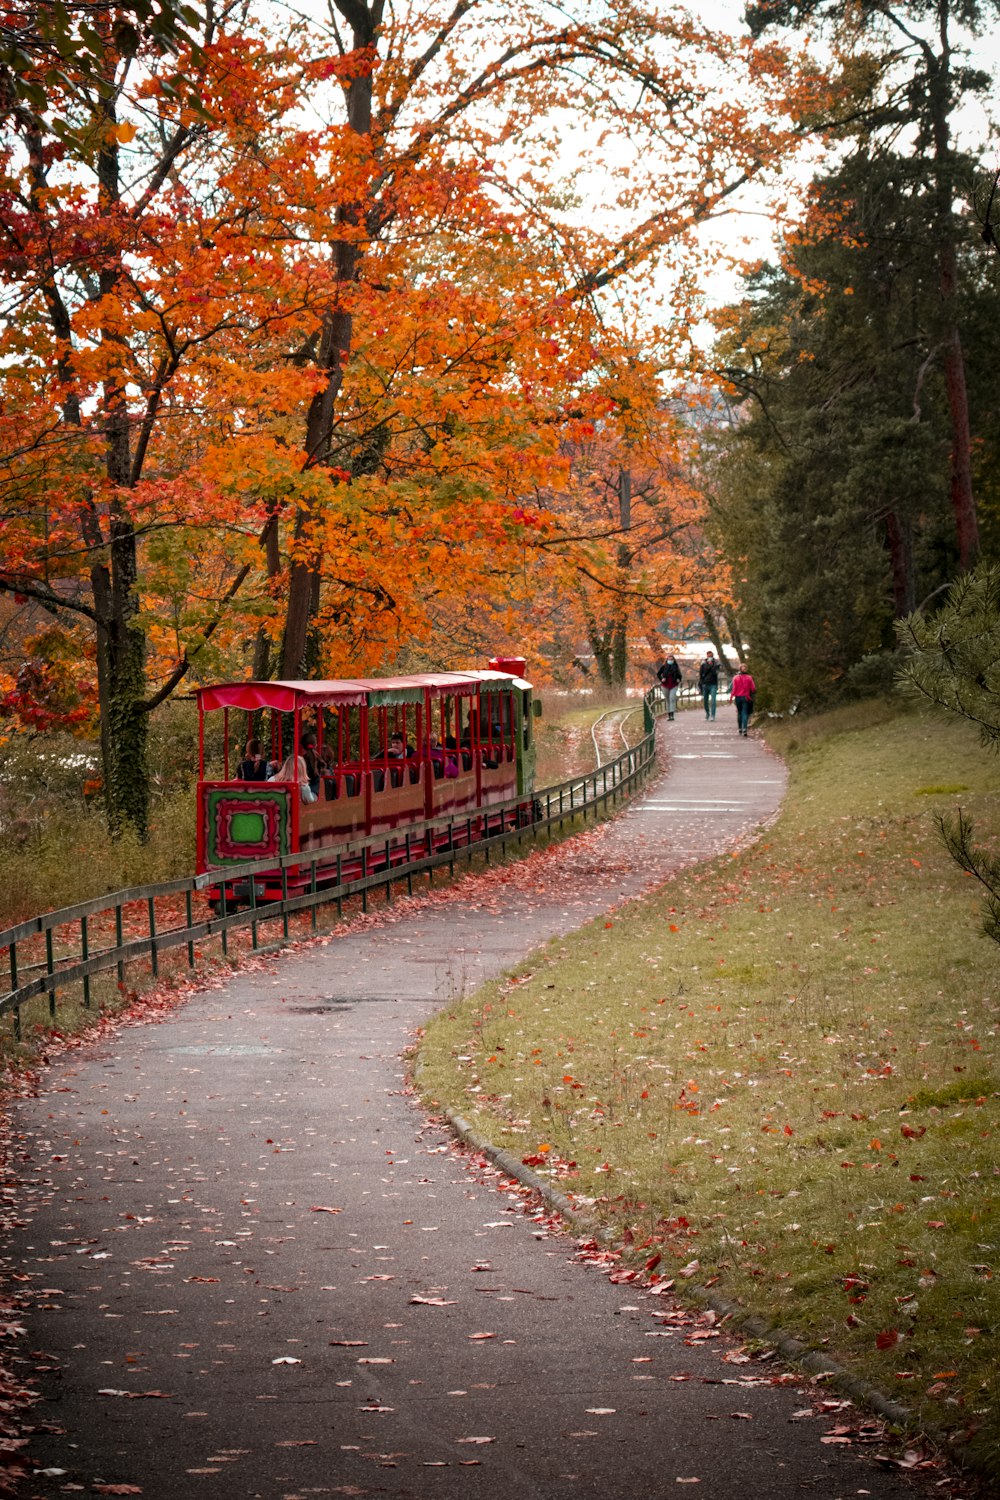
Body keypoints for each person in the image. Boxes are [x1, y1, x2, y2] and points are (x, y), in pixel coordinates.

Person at [730, 661, 756, 737]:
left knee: (739, 712)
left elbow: (734, 689)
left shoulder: (735, 678)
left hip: (738, 698)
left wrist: (731, 697)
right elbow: (753, 688)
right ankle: (745, 729)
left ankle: (740, 729)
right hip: (746, 697)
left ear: (739, 669)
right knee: (745, 713)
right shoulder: (749, 678)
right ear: (746, 669)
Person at [655, 654, 682, 720]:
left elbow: (680, 675)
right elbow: (658, 674)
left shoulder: (676, 667)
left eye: (671, 659)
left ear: (673, 660)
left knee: (672, 698)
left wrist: (678, 679)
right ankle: (669, 714)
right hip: (665, 685)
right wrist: (661, 679)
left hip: (673, 685)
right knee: (668, 700)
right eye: (669, 659)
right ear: (667, 660)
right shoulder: (664, 667)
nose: (670, 660)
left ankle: (672, 715)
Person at [698, 650, 720, 721]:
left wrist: (712, 665)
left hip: (713, 684)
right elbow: (701, 674)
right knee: (705, 701)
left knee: (713, 701)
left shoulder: (716, 663)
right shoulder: (703, 664)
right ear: (706, 656)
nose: (709, 657)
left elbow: (715, 673)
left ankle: (713, 715)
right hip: (705, 684)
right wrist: (701, 684)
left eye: (711, 656)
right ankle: (707, 713)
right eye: (708, 656)